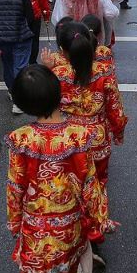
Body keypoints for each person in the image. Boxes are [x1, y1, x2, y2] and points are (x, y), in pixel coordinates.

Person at [5, 65, 111, 273]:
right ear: (58, 94)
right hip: (70, 229)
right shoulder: (79, 136)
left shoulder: (22, 139)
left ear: (23, 104)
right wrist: (99, 221)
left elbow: (16, 188)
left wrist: (14, 223)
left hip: (35, 234)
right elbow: (90, 187)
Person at [50, 21, 127, 187]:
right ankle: (96, 210)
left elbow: (46, 106)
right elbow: (115, 108)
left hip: (66, 137)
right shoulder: (104, 72)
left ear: (63, 51)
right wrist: (118, 132)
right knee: (98, 182)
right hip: (97, 138)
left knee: (69, 182)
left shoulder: (57, 74)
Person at [20, 0, 50, 65]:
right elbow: (43, 1)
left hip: (19, 16)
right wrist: (46, 16)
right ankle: (32, 61)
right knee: (34, 39)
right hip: (35, 15)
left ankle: (21, 61)